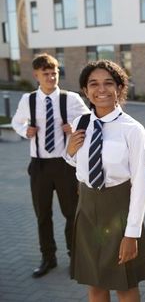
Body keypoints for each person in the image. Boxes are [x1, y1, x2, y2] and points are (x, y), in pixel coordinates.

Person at [65, 60, 145, 301]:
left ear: (119, 88)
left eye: (108, 83)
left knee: (124, 285)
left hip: (120, 211)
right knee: (94, 285)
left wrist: (131, 233)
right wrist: (69, 152)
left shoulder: (132, 130)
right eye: (93, 84)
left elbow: (140, 186)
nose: (100, 89)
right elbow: (78, 166)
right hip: (87, 211)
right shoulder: (81, 124)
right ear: (85, 90)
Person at [11, 53, 89, 278]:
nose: (51, 77)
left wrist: (73, 128)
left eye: (54, 72)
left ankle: (75, 256)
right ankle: (48, 257)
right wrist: (24, 130)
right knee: (42, 214)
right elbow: (17, 121)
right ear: (37, 75)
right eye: (45, 73)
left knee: (71, 213)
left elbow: (88, 121)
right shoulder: (28, 100)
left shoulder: (70, 99)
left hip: (65, 166)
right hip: (39, 167)